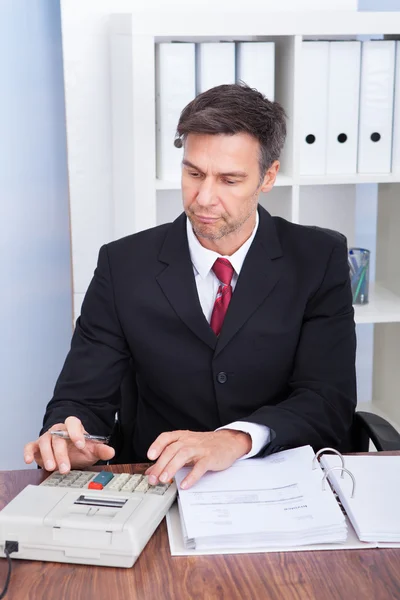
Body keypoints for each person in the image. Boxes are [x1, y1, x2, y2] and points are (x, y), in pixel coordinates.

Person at [24, 83, 356, 490]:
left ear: (268, 177)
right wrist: (69, 435)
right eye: (193, 173)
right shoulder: (123, 264)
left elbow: (327, 399)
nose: (204, 198)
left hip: (278, 480)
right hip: (157, 482)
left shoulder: (318, 258)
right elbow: (83, 398)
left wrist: (235, 439)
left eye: (229, 180)